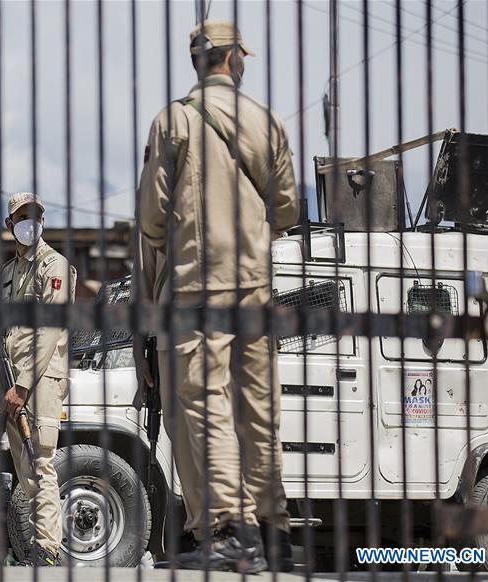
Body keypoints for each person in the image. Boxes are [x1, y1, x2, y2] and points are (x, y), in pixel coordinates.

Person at [134, 19, 300, 573]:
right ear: (233, 60)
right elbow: (287, 211)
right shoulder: (268, 121)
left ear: (198, 62)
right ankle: (271, 529)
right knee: (257, 408)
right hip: (255, 288)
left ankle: (229, 528)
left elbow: (151, 219)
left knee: (204, 402)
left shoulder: (173, 121)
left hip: (196, 285)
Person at [0, 192, 76, 567]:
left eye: (36, 215)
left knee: (41, 460)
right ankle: (45, 542)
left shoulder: (53, 265)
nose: (30, 222)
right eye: (22, 216)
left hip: (39, 381)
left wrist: (22, 386)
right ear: (10, 225)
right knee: (25, 469)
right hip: (10, 382)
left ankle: (48, 549)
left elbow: (50, 330)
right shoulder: (8, 272)